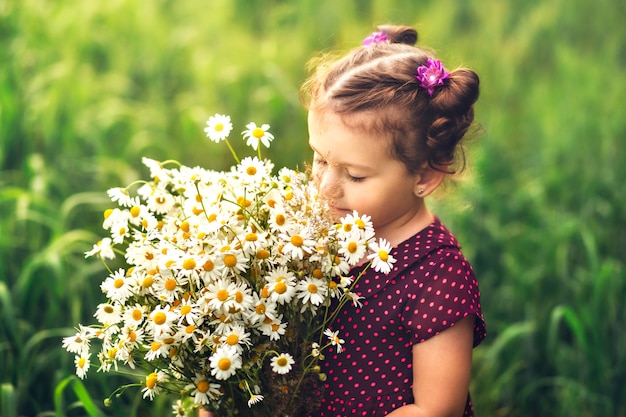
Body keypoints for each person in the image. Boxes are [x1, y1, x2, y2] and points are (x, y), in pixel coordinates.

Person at [302, 24, 486, 417]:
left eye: (355, 175)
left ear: (424, 176)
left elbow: (436, 409)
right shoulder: (310, 233)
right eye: (320, 159)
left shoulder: (437, 276)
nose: (326, 188)